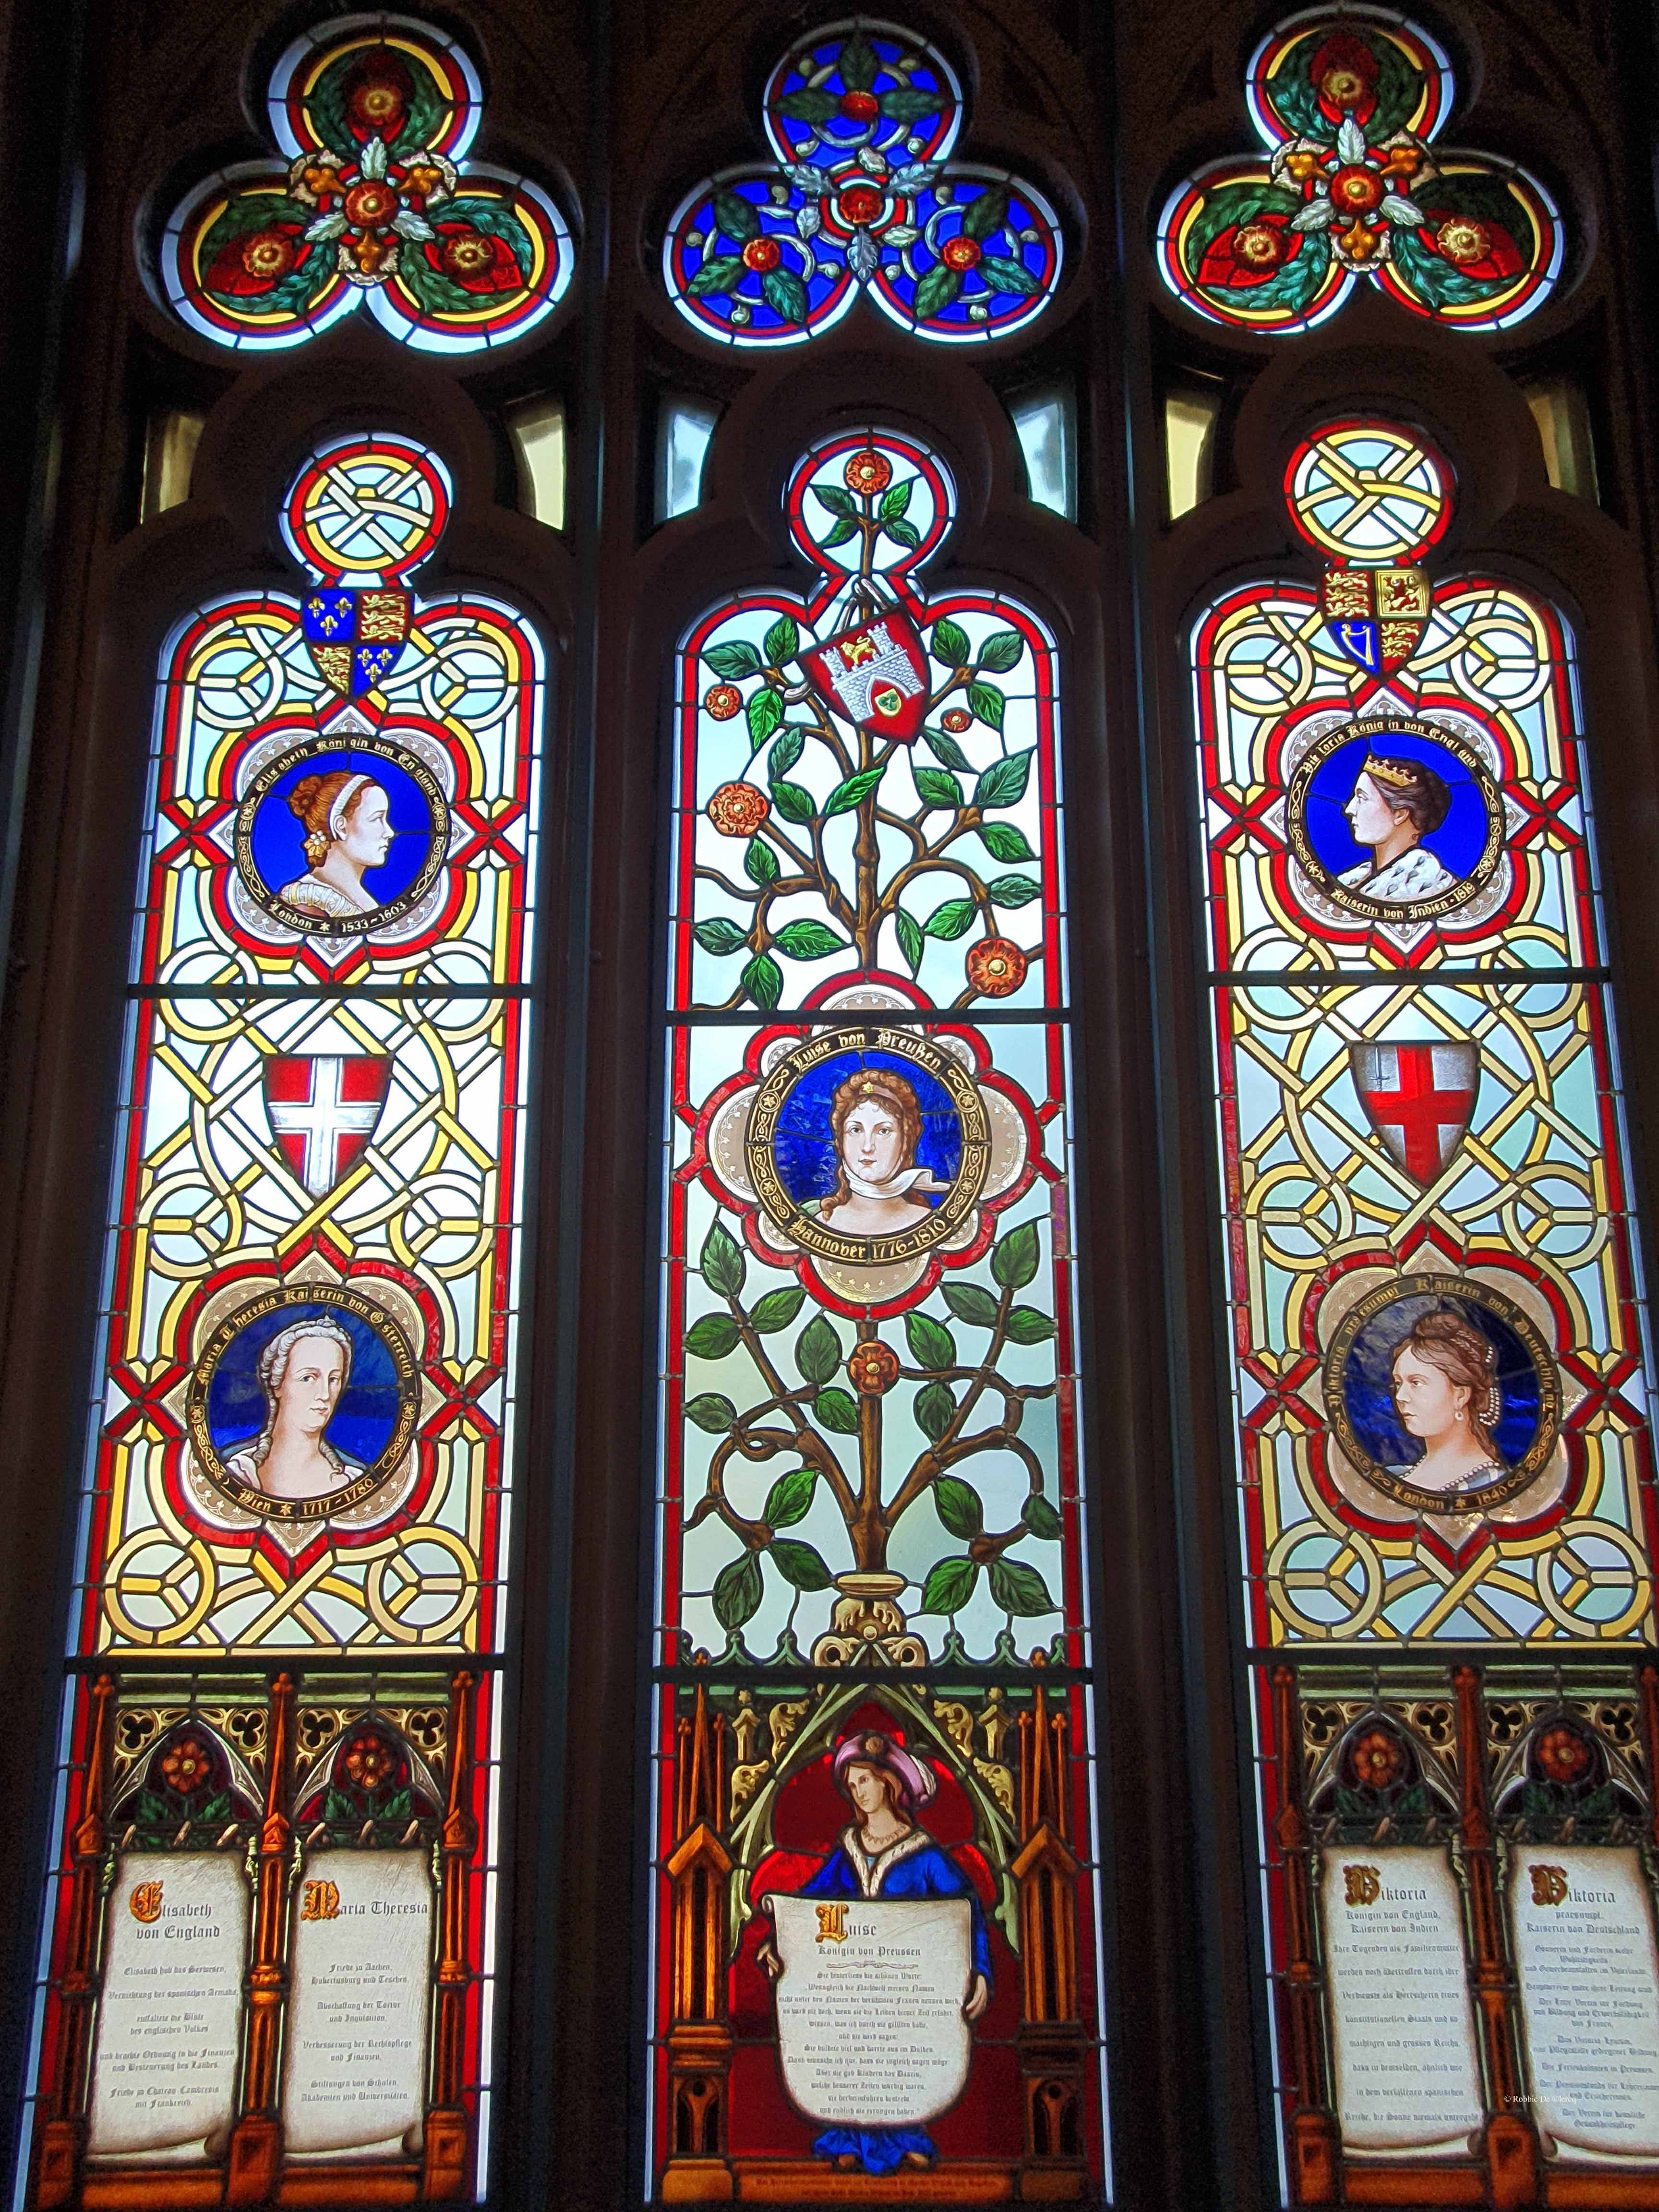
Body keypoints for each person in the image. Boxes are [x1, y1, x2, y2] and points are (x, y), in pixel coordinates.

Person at [758, 1728, 991, 2176]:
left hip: (907, 1989)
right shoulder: (848, 1849)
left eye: (865, 1780)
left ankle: (907, 2137)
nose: (858, 1792)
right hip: (854, 1987)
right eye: (852, 1785)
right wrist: (779, 1940)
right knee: (854, 2054)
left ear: (889, 1781)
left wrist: (979, 1970)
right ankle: (849, 2139)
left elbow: (965, 1913)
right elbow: (811, 1905)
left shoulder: (924, 1855)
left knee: (901, 2056)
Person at [224, 1316, 362, 1502]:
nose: (324, 1394)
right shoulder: (238, 1472)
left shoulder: (353, 1481)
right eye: (308, 1378)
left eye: (333, 1380)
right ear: (278, 1384)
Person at [1385, 1307, 1507, 1497]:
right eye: (1398, 1383)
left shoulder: (1495, 1486)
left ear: (1461, 1396)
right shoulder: (1392, 1476)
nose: (1400, 1397)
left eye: (1416, 1383)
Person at [814, 1070, 949, 1236]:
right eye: (855, 1130)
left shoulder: (930, 1223)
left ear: (906, 1142)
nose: (867, 1147)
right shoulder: (822, 1222)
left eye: (883, 1131)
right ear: (841, 1142)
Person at [1338, 752, 1456, 902]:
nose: (1349, 809)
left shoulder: (1436, 888)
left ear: (1400, 814)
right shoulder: (1350, 882)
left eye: (1362, 798)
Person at [276, 769, 394, 918]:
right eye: (377, 819)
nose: (389, 832)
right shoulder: (309, 902)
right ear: (341, 827)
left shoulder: (358, 898)